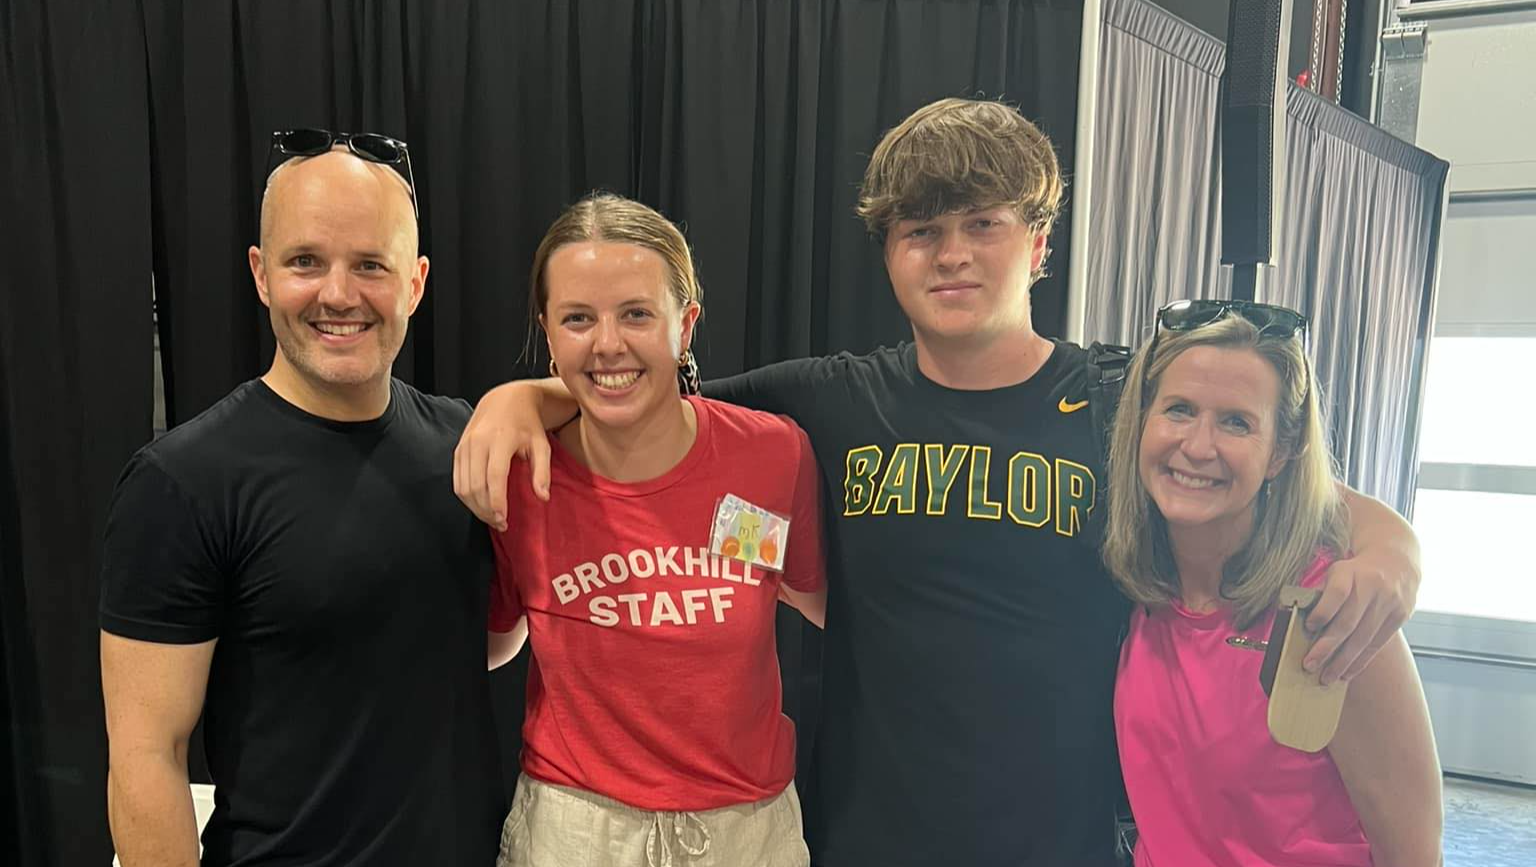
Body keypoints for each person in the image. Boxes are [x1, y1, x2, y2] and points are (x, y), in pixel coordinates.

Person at [453, 99, 1423, 867]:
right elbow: (649, 391)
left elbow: (1273, 477)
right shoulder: (827, 403)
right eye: (920, 229)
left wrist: (1393, 546)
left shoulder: (1120, 398)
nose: (951, 253)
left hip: (1061, 841)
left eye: (982, 224)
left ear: (1037, 245)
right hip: (867, 835)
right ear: (888, 253)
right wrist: (520, 396)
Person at [99, 131, 502, 866]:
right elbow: (146, 757)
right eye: (306, 262)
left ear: (415, 283)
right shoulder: (182, 482)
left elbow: (486, 642)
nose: (338, 295)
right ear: (261, 274)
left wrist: (532, 401)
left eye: (370, 264)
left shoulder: (468, 444)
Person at [484, 193, 826, 867]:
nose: (608, 343)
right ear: (548, 334)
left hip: (747, 831)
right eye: (578, 318)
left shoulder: (770, 456)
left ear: (685, 324)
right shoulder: (520, 475)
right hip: (573, 831)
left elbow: (825, 606)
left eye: (637, 313)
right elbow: (493, 644)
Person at [1106, 300, 1442, 866]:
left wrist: (1399, 548)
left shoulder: (1335, 611)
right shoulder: (1138, 588)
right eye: (1179, 410)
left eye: (1236, 422)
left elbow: (1413, 855)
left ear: (1280, 453)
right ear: (1142, 422)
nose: (1198, 446)